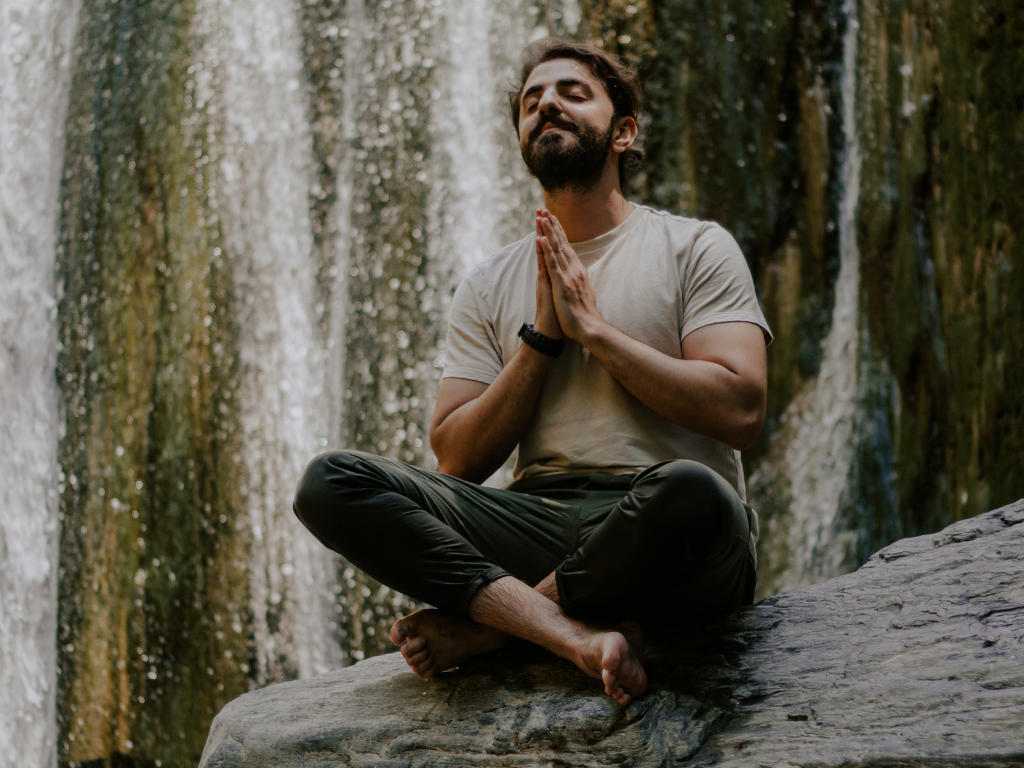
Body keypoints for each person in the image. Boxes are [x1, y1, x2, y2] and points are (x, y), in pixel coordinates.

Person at [294, 38, 771, 706]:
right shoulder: (489, 284)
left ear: (623, 131)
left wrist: (594, 331)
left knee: (695, 493)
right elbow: (455, 456)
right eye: (530, 101)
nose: (547, 103)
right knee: (329, 483)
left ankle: (492, 630)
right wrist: (541, 343)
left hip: (670, 533)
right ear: (522, 138)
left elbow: (742, 410)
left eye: (572, 92)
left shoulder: (693, 247)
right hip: (537, 520)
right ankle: (568, 629)